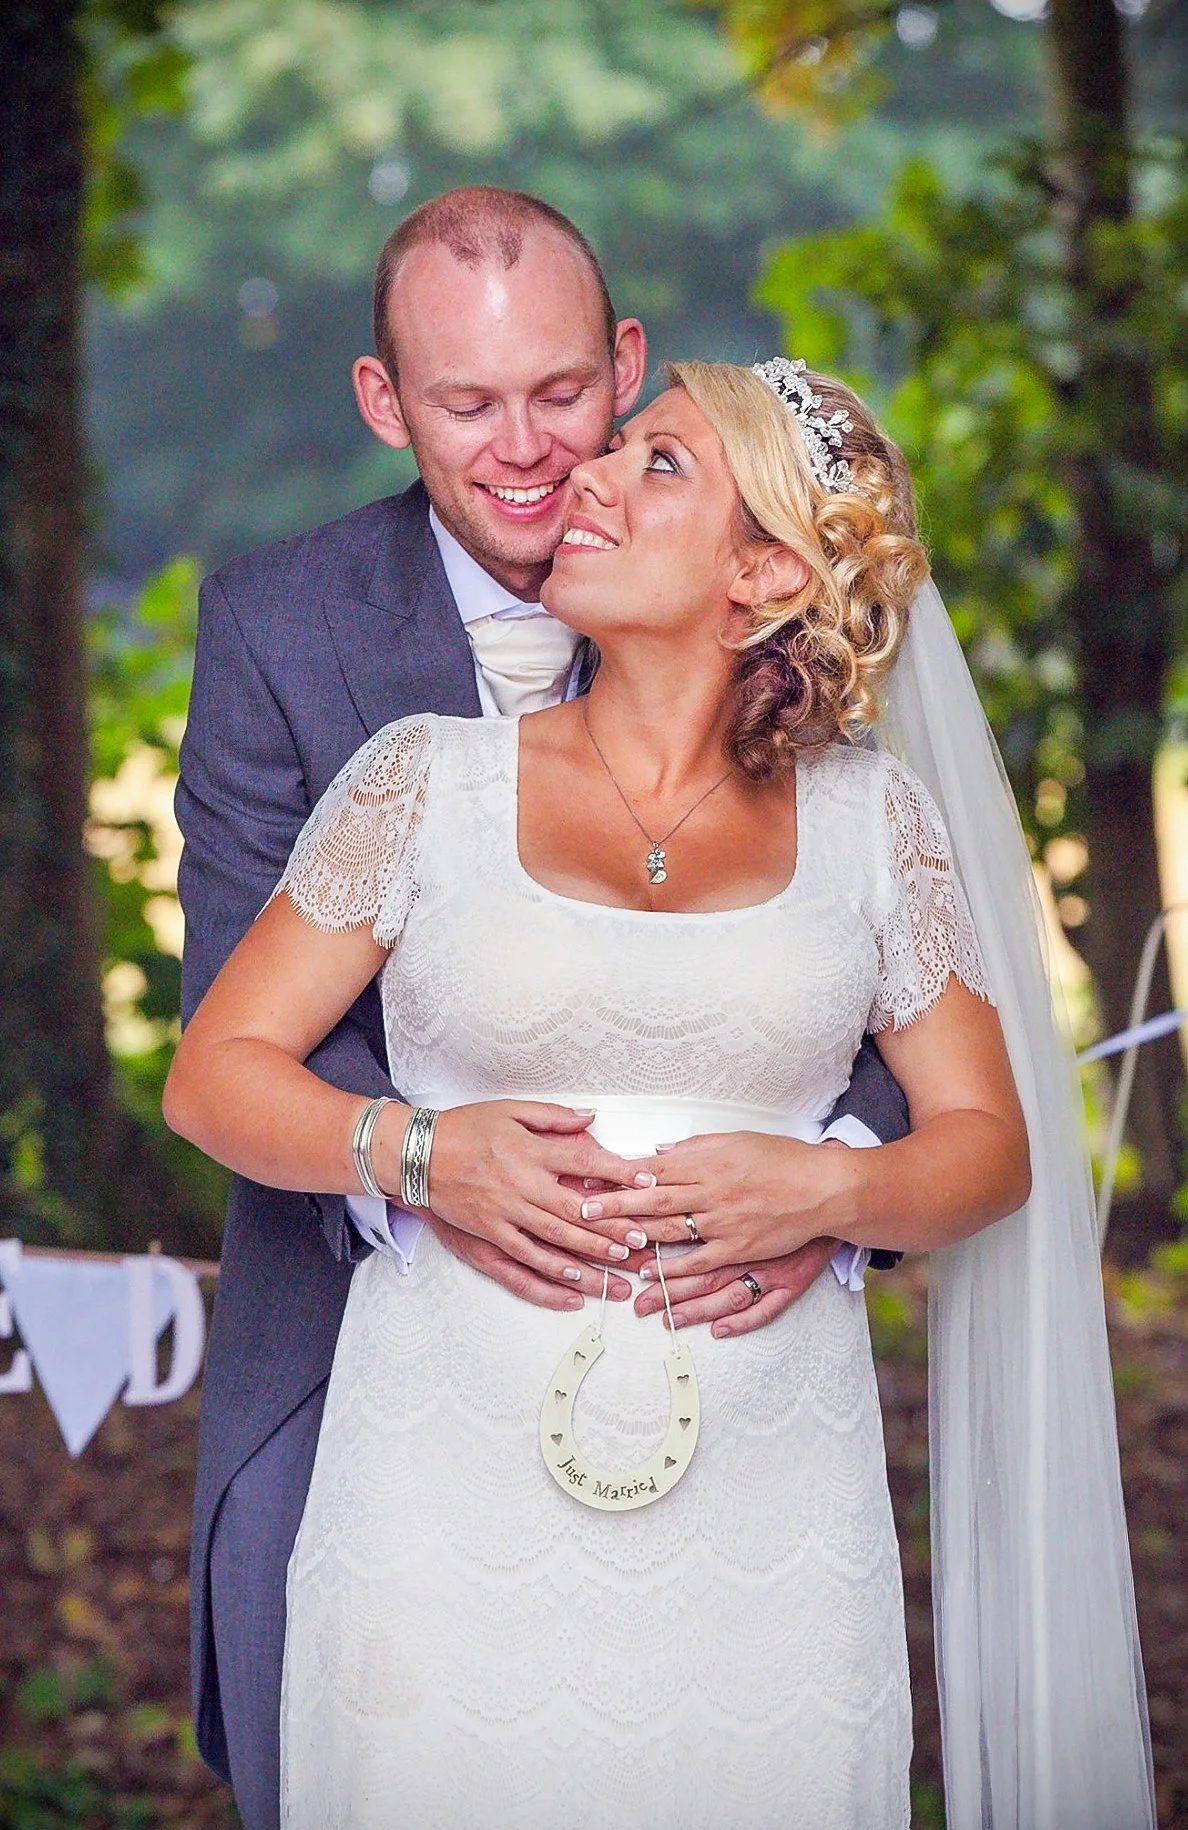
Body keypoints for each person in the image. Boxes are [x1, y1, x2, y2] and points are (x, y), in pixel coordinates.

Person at [165, 354, 1155, 1827]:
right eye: (620, 449)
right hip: (440, 1503)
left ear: (766, 575)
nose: (592, 473)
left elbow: (990, 1147)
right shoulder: (421, 779)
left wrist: (832, 1187)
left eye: (661, 462)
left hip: (771, 1520)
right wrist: (420, 1151)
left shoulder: (873, 821)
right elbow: (214, 1077)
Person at [175, 188, 909, 1829]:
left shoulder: (756, 582)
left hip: (739, 1363)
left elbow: (872, 955)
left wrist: (831, 1190)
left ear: (627, 365)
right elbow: (236, 1021)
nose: (526, 451)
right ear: (384, 402)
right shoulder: (278, 627)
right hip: (368, 1339)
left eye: (565, 394)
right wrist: (429, 1165)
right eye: (466, 403)